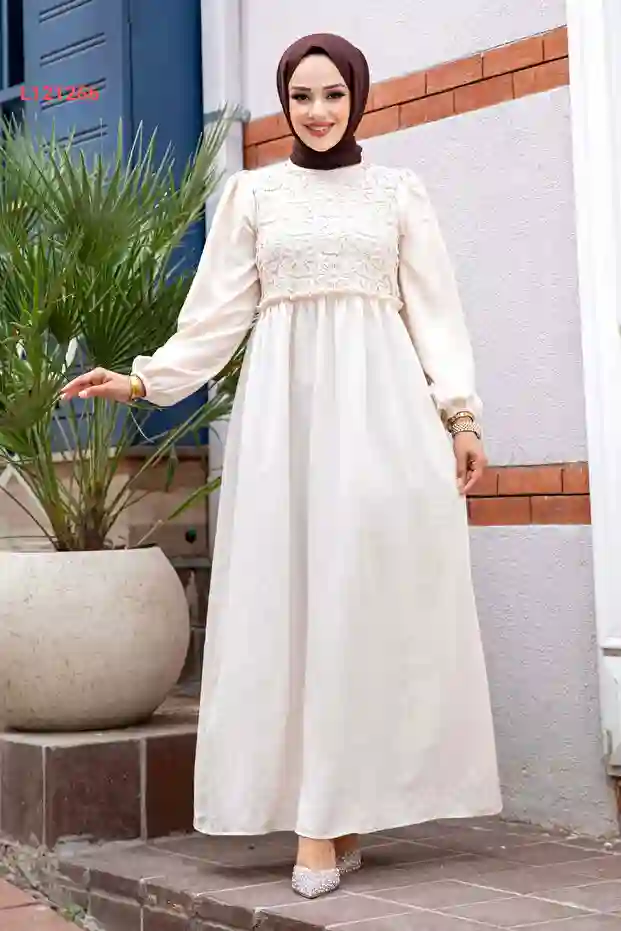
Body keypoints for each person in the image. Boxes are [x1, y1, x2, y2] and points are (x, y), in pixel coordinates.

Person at [61, 33, 502, 899]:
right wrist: (146, 378)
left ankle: (338, 812)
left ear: (357, 97)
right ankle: (319, 819)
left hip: (383, 422)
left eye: (333, 94)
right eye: (301, 96)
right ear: (284, 101)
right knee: (294, 605)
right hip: (283, 430)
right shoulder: (253, 195)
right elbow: (215, 316)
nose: (318, 111)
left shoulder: (397, 193)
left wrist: (460, 415)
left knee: (361, 607)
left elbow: (435, 314)